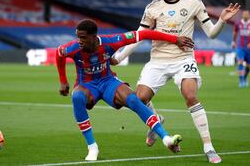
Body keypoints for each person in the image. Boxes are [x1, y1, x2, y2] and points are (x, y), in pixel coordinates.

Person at [111, 0, 240, 164]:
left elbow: (211, 33)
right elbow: (139, 36)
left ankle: (208, 146)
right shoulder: (152, 7)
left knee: (190, 95)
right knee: (138, 99)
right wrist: (119, 58)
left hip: (184, 60)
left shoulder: (193, 3)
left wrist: (222, 20)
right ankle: (157, 121)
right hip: (158, 61)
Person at [55, 19, 194, 161]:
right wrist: (63, 81)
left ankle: (166, 138)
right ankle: (92, 147)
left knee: (133, 99)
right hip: (87, 85)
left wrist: (175, 39)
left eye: (83, 37)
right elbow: (59, 54)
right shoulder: (72, 48)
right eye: (78, 36)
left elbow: (144, 34)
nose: (79, 41)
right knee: (77, 97)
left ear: (93, 36)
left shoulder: (111, 41)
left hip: (107, 81)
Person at [232, 10, 250, 87]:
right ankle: (241, 81)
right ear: (242, 15)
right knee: (240, 62)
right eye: (244, 14)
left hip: (249, 48)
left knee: (248, 65)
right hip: (240, 46)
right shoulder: (238, 24)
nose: (246, 15)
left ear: (249, 15)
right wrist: (233, 42)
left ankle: (245, 78)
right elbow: (235, 33)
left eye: (247, 14)